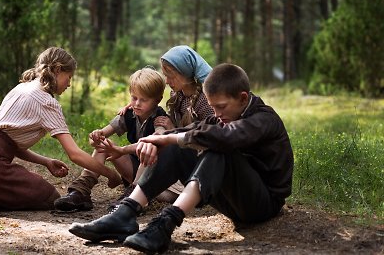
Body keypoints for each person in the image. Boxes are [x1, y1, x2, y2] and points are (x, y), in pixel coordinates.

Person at [67, 63, 294, 254]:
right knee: (179, 143)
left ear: (243, 98)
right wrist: (156, 140)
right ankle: (125, 213)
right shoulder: (225, 118)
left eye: (221, 107)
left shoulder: (265, 119)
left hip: (262, 205)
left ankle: (166, 223)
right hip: (232, 202)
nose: (216, 114)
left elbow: (225, 138)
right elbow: (193, 130)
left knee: (213, 146)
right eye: (212, 107)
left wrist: (171, 138)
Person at [0, 47, 122, 211]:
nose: (69, 84)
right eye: (69, 77)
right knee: (48, 197)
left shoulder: (23, 87)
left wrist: (46, 162)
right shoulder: (46, 102)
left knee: (31, 192)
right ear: (58, 70)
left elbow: (9, 143)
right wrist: (110, 174)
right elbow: (74, 154)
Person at [108, 45, 215, 209]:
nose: (167, 81)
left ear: (185, 74)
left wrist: (172, 130)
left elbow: (209, 138)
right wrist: (133, 105)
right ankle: (138, 190)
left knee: (155, 145)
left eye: (170, 76)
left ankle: (135, 195)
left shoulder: (205, 101)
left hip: (195, 162)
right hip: (177, 151)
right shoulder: (177, 95)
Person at [54, 67, 168, 212]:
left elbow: (157, 138)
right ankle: (81, 190)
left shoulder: (160, 119)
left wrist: (121, 150)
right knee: (104, 144)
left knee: (149, 147)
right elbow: (102, 135)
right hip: (133, 169)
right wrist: (97, 136)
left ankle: (134, 196)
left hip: (153, 173)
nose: (137, 103)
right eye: (134, 98)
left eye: (143, 100)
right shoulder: (129, 114)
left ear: (157, 100)